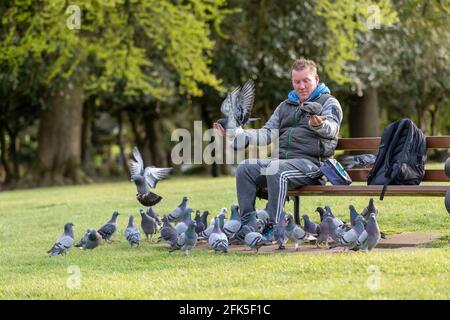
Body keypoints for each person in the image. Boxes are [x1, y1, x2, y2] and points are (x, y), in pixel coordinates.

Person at [214, 58, 343, 232]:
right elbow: (267, 133)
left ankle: (275, 227)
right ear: (292, 82)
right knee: (244, 168)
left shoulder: (329, 102)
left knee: (276, 168)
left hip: (313, 165)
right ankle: (248, 225)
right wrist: (238, 135)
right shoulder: (285, 106)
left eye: (306, 80)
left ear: (316, 79)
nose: (302, 86)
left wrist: (319, 125)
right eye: (297, 82)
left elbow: (333, 129)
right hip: (283, 162)